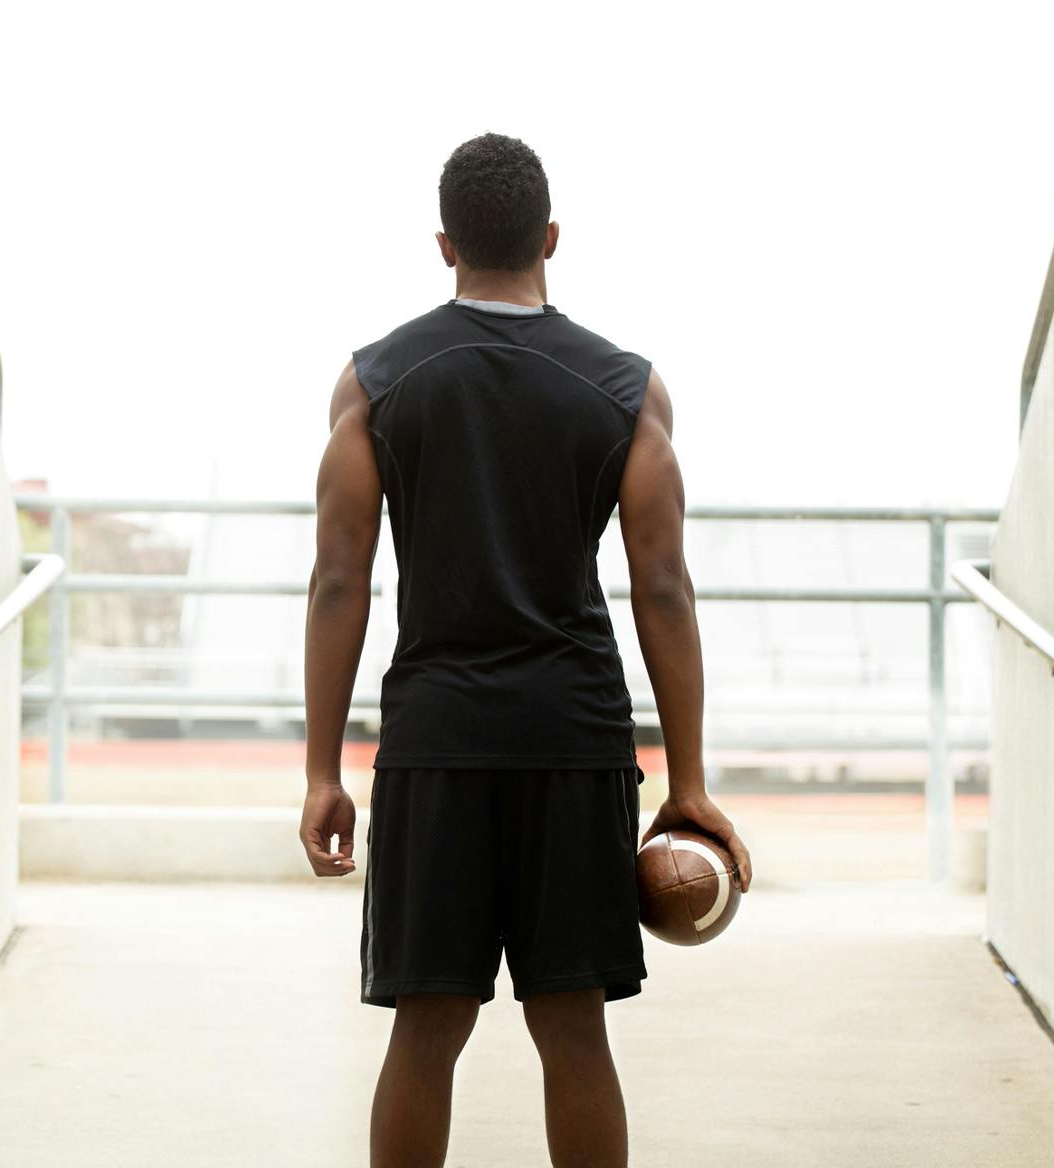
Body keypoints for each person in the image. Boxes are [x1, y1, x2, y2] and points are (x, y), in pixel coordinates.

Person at [299, 131, 754, 1167]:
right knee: (574, 1027)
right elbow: (665, 590)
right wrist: (687, 780)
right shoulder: (628, 389)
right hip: (574, 742)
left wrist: (322, 770)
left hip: (436, 741)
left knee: (425, 1027)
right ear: (551, 237)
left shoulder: (374, 383)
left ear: (444, 243)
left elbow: (338, 580)